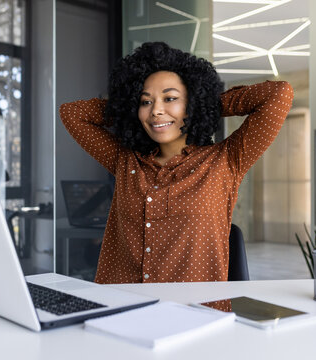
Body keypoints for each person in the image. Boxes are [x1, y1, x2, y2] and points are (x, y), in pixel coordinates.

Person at [59, 42, 293, 284]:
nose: (156, 111)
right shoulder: (126, 161)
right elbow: (72, 113)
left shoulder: (225, 160)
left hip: (197, 313)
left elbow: (279, 94)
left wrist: (206, 105)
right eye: (145, 101)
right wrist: (125, 109)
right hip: (121, 308)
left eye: (170, 98)